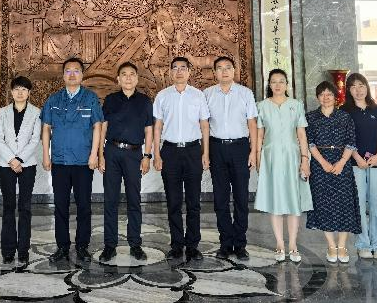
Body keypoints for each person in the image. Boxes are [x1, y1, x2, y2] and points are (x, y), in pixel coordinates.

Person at [41, 57, 103, 263]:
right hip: (59, 161)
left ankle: (82, 246)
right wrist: (46, 154)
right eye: (68, 71)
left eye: (76, 70)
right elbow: (46, 128)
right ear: (63, 75)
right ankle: (62, 246)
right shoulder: (54, 100)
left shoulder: (90, 98)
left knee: (84, 205)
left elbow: (97, 127)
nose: (72, 74)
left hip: (84, 162)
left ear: (82, 75)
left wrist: (94, 154)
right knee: (61, 205)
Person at [153, 56, 210, 262]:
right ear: (170, 72)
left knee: (194, 202)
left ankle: (193, 245)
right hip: (170, 152)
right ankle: (177, 245)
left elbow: (204, 125)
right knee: (173, 202)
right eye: (175, 68)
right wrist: (157, 154)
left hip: (193, 151)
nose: (179, 71)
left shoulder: (198, 95)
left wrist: (205, 153)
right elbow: (157, 127)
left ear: (189, 72)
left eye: (183, 68)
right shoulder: (162, 96)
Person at [97, 62, 154, 263]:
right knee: (110, 200)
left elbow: (149, 130)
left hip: (134, 154)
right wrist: (100, 155)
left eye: (132, 74)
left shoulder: (145, 101)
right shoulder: (111, 100)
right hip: (111, 152)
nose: (128, 78)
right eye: (124, 74)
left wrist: (147, 156)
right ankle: (109, 246)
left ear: (137, 78)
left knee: (134, 200)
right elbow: (103, 128)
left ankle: (135, 244)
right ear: (118, 79)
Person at [254, 69, 312, 263]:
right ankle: (279, 243)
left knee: (294, 201)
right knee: (275, 200)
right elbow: (259, 135)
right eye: (274, 81)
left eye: (281, 81)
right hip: (270, 157)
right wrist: (258, 158)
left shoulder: (296, 105)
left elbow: (301, 134)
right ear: (269, 85)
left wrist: (305, 159)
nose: (277, 85)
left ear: (287, 84)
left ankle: (293, 244)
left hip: (292, 156)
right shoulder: (261, 106)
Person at [203, 56, 258, 261]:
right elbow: (204, 125)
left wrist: (253, 152)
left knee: (241, 198)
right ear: (215, 73)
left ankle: (240, 243)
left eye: (228, 67)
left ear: (234, 71)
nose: (224, 71)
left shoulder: (245, 93)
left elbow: (252, 124)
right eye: (220, 68)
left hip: (240, 148)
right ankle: (225, 243)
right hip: (217, 148)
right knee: (221, 198)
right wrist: (205, 153)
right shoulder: (207, 94)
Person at [306, 81, 361, 263]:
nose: (326, 97)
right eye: (322, 94)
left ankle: (342, 246)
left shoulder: (345, 117)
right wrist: (322, 162)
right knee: (323, 204)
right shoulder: (311, 117)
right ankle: (331, 245)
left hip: (342, 165)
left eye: (329, 94)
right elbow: (309, 142)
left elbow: (351, 142)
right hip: (319, 165)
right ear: (317, 97)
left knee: (345, 204)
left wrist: (342, 162)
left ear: (335, 97)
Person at [342, 72, 377, 261]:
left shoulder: (376, 109)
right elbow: (345, 138)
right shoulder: (345, 111)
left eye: (361, 85)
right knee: (359, 204)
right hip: (355, 163)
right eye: (353, 87)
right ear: (349, 90)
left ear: (366, 87)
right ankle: (363, 244)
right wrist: (357, 157)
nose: (358, 90)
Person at [0, 76, 41, 265]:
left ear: (29, 93)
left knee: (25, 207)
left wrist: (20, 159)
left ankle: (23, 250)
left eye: (24, 89)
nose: (20, 93)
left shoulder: (36, 112)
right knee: (8, 207)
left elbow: (35, 139)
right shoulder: (3, 112)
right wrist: (12, 160)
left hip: (27, 165)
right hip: (6, 165)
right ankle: (7, 250)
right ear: (11, 92)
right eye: (17, 89)